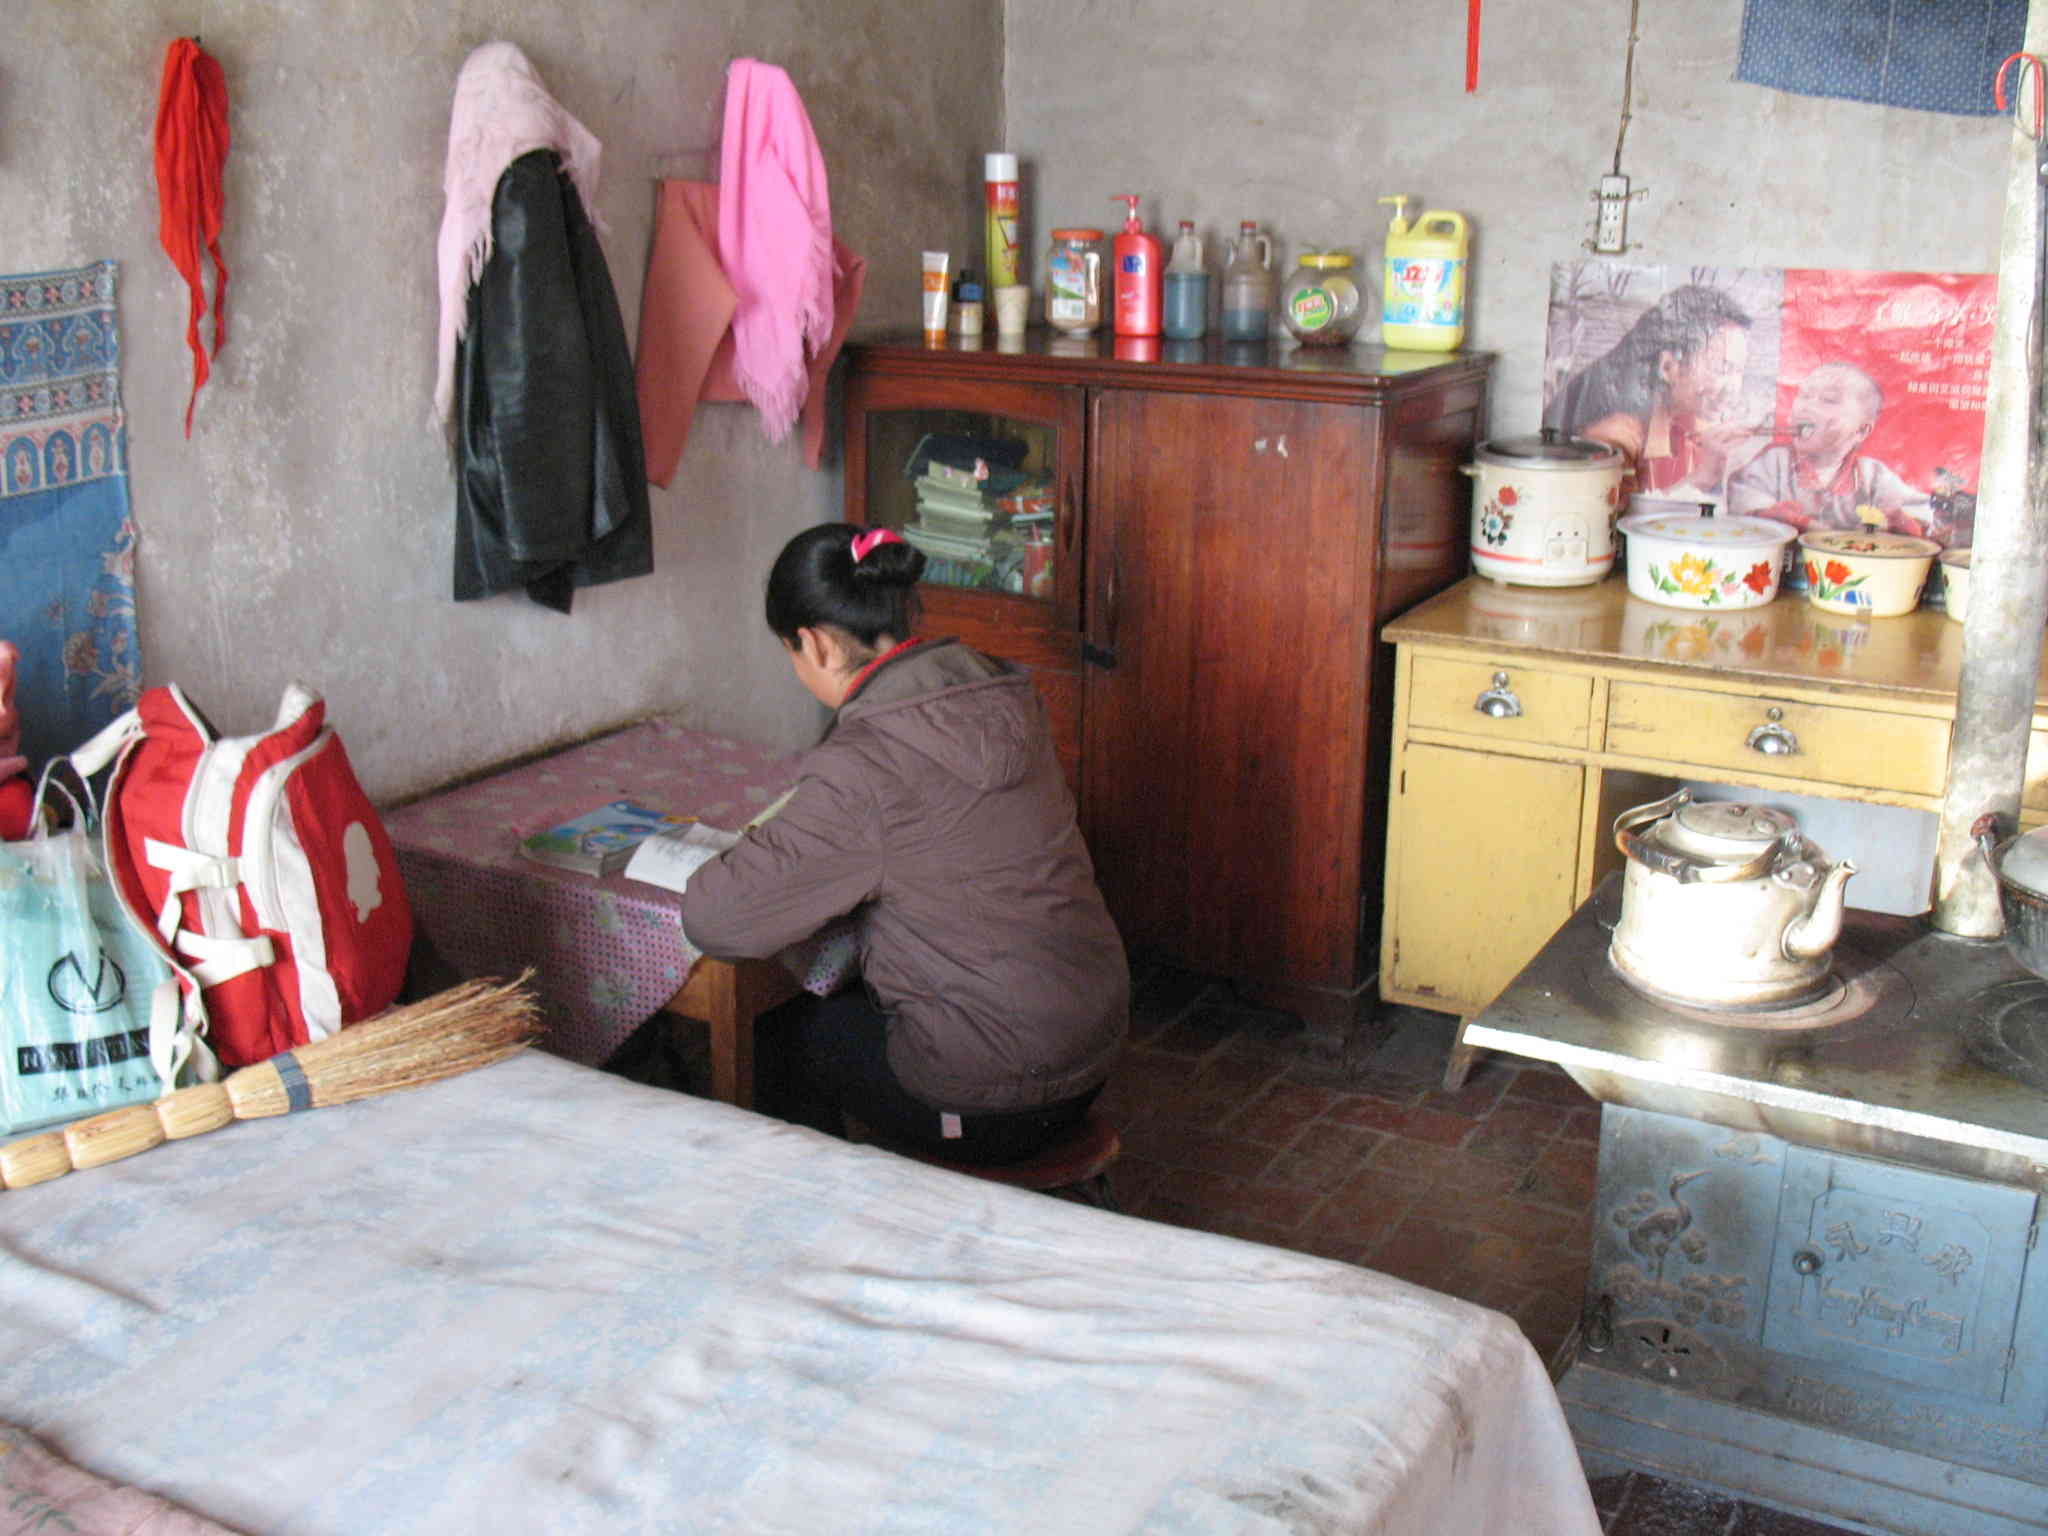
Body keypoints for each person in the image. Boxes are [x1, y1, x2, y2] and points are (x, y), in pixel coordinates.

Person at [680, 524, 1128, 1162]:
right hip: (1093, 1039)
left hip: (999, 1096)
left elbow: (716, 920)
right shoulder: (998, 691)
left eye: (791, 653)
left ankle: (826, 1203)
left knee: (779, 1028)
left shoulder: (866, 764)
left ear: (815, 644)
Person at [1549, 283, 1756, 499]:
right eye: (1722, 369)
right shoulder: (1614, 435)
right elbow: (1609, 514)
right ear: (1668, 367)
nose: (1733, 388)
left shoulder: (1695, 426)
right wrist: (1701, 479)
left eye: (1739, 371)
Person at [1727, 361, 1931, 535]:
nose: (1806, 406)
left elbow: (1921, 510)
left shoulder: (1872, 475)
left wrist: (1897, 520)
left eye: (1828, 400)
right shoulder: (1774, 462)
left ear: (1861, 431)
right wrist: (1781, 516)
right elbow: (1743, 497)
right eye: (1804, 395)